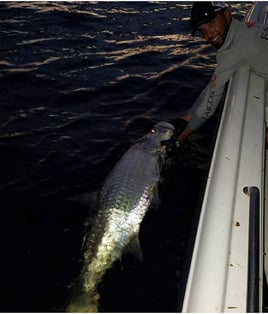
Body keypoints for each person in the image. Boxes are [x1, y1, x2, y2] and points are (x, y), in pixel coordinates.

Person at [177, 2, 268, 144]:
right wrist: (187, 117)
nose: (209, 35)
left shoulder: (232, 53)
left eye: (212, 23)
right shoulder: (246, 29)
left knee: (258, 138)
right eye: (203, 30)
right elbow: (213, 85)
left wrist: (180, 138)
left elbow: (209, 106)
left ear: (227, 14)